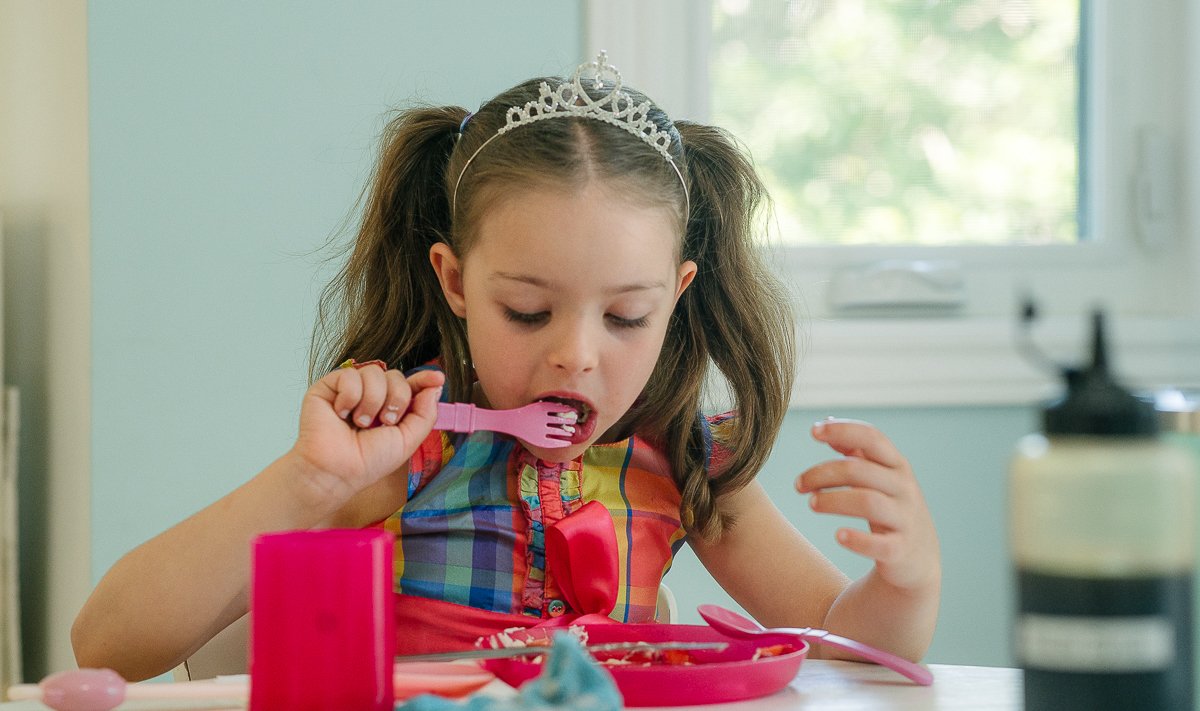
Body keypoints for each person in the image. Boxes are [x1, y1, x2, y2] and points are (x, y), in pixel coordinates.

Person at [71, 52, 940, 681]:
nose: (575, 352)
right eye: (527, 310)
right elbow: (108, 645)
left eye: (627, 315)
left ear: (675, 298)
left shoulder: (682, 463)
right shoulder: (399, 450)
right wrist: (308, 483)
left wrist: (904, 580)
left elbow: (842, 636)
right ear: (454, 281)